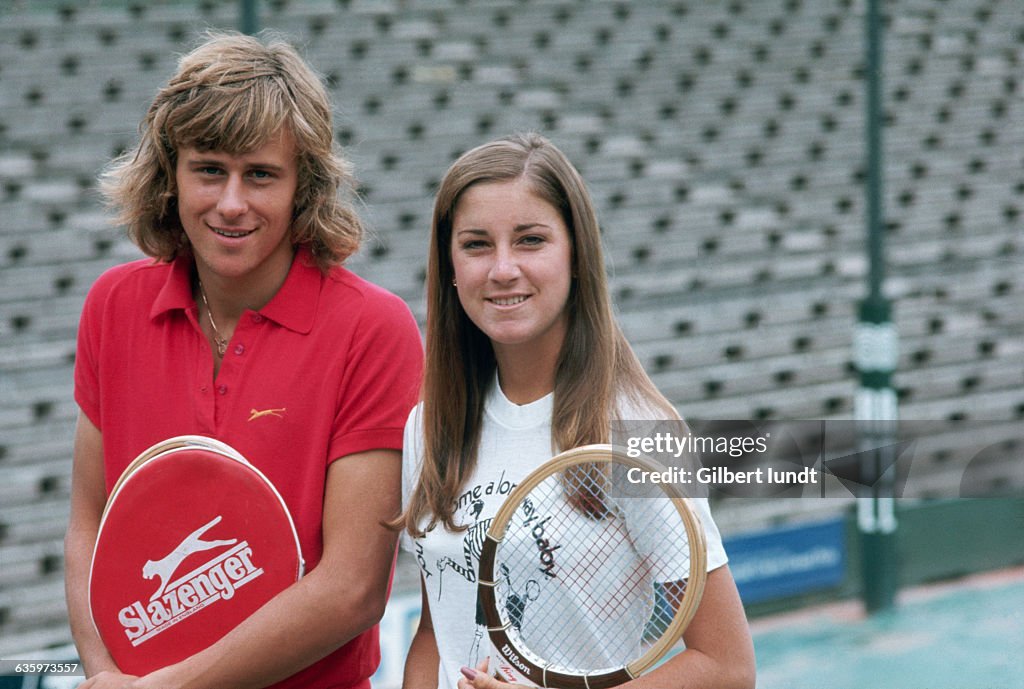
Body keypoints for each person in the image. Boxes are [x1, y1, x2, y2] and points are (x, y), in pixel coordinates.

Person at [64, 31, 423, 689]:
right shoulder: (112, 306)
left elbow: (353, 588)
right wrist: (104, 673)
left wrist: (167, 688)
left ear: (301, 185)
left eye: (260, 174)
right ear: (171, 174)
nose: (232, 203)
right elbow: (90, 521)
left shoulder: (373, 329)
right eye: (209, 169)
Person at [396, 133, 755, 689]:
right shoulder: (429, 427)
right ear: (449, 266)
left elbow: (726, 666)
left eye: (531, 240)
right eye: (476, 245)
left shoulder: (636, 430)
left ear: (576, 255)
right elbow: (433, 630)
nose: (503, 269)